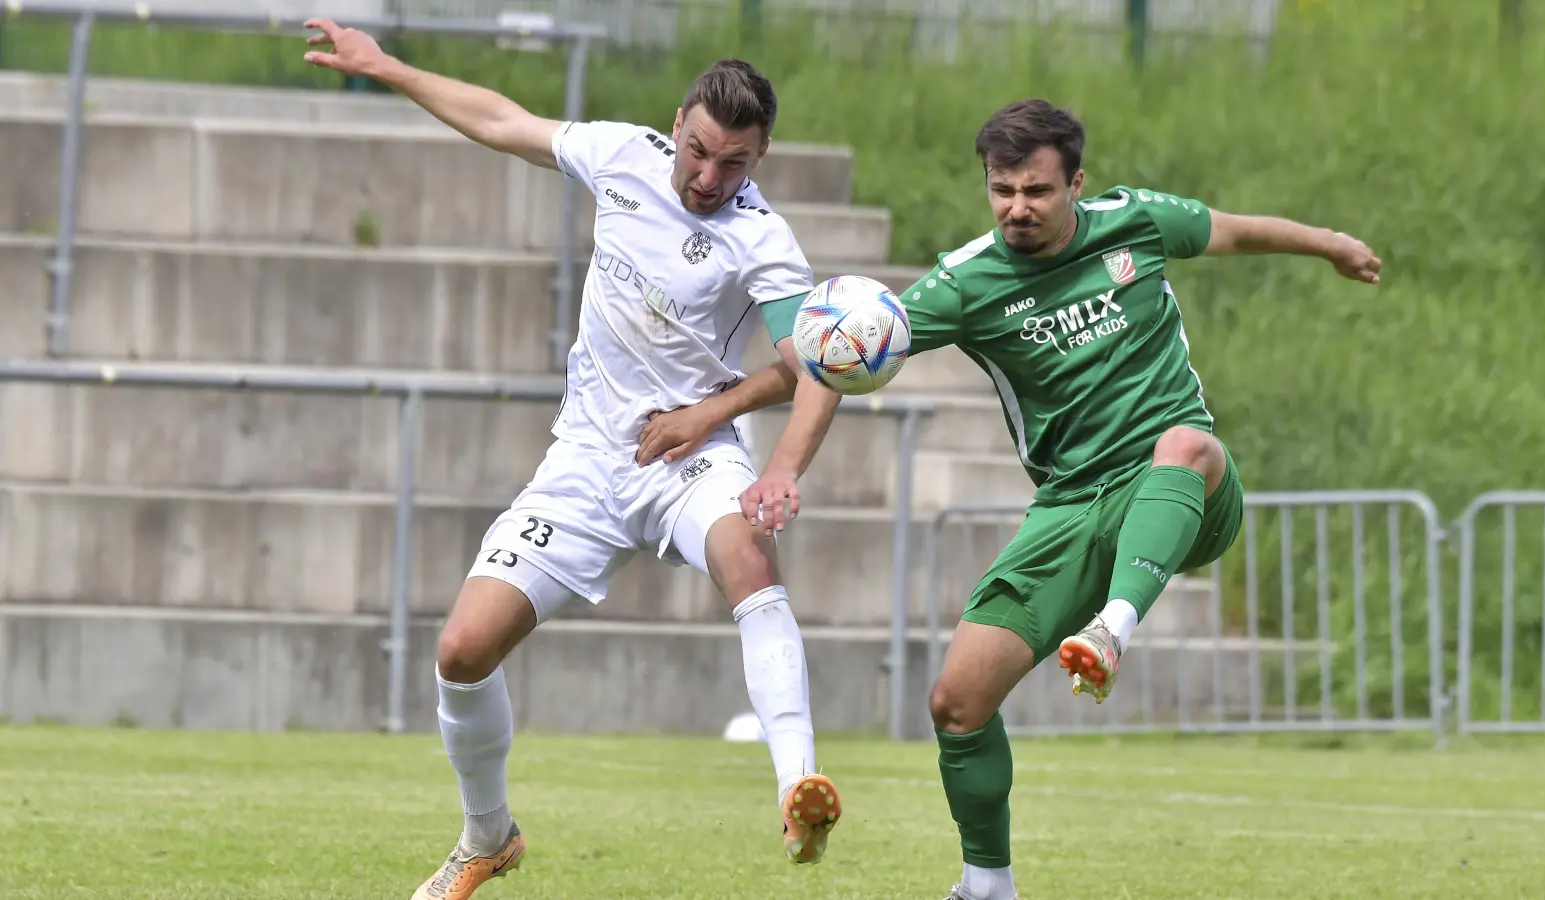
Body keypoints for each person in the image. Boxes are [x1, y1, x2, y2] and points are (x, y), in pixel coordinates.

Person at [764, 97, 1382, 900]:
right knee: (958, 701)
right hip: (1070, 507)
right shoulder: (967, 282)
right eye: (1002, 190)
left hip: (1182, 487)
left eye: (1037, 191)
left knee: (1188, 443)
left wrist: (1330, 246)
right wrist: (771, 453)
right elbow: (844, 358)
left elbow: (1234, 229)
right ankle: (987, 883)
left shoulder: (1134, 222)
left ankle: (1112, 630)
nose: (1017, 207)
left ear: (1076, 184)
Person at [302, 19, 846, 899]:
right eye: (699, 152)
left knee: (748, 552)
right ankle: (489, 835)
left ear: (761, 158)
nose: (709, 178)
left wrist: (753, 446)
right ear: (678, 123)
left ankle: (797, 790)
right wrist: (384, 65)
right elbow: (499, 119)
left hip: (694, 459)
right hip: (589, 459)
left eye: (734, 164)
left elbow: (812, 365)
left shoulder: (762, 240)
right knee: (462, 650)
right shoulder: (622, 156)